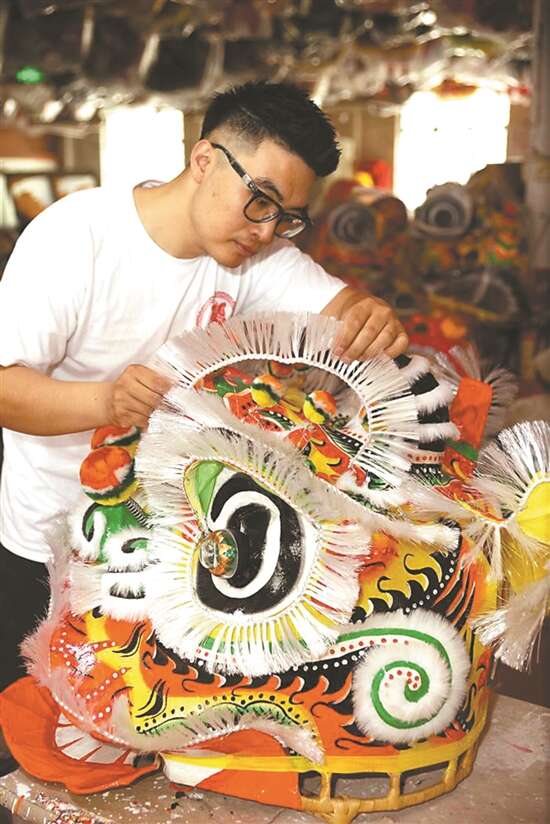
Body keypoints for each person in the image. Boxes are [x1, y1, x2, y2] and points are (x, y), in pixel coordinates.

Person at [0, 80, 408, 697]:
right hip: (52, 539)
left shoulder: (254, 255)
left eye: (288, 217)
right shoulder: (77, 238)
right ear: (204, 160)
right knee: (37, 715)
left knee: (138, 707)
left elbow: (341, 306)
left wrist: (368, 314)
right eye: (260, 200)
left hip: (170, 542)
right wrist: (106, 402)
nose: (267, 231)